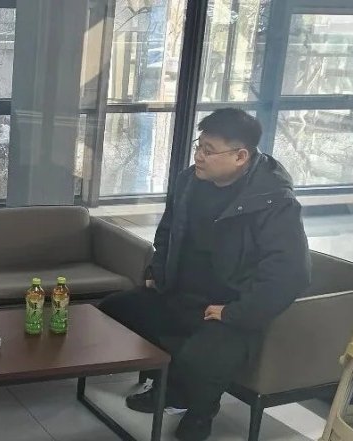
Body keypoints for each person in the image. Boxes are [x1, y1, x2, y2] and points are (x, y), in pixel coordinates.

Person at [97, 108, 310, 441]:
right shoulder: (189, 181)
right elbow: (167, 232)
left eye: (209, 151)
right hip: (180, 294)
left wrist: (234, 312)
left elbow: (289, 273)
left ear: (240, 156)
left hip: (229, 310)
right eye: (199, 146)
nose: (198, 156)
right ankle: (172, 386)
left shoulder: (274, 202)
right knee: (113, 311)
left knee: (202, 354)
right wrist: (157, 271)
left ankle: (200, 411)